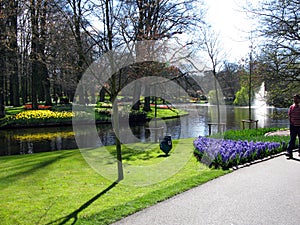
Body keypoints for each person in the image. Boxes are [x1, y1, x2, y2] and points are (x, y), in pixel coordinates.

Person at [286, 94, 300, 159]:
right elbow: (289, 115)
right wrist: (291, 123)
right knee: (292, 139)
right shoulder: (291, 107)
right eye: (294, 99)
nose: (294, 100)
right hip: (293, 126)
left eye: (296, 98)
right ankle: (289, 152)